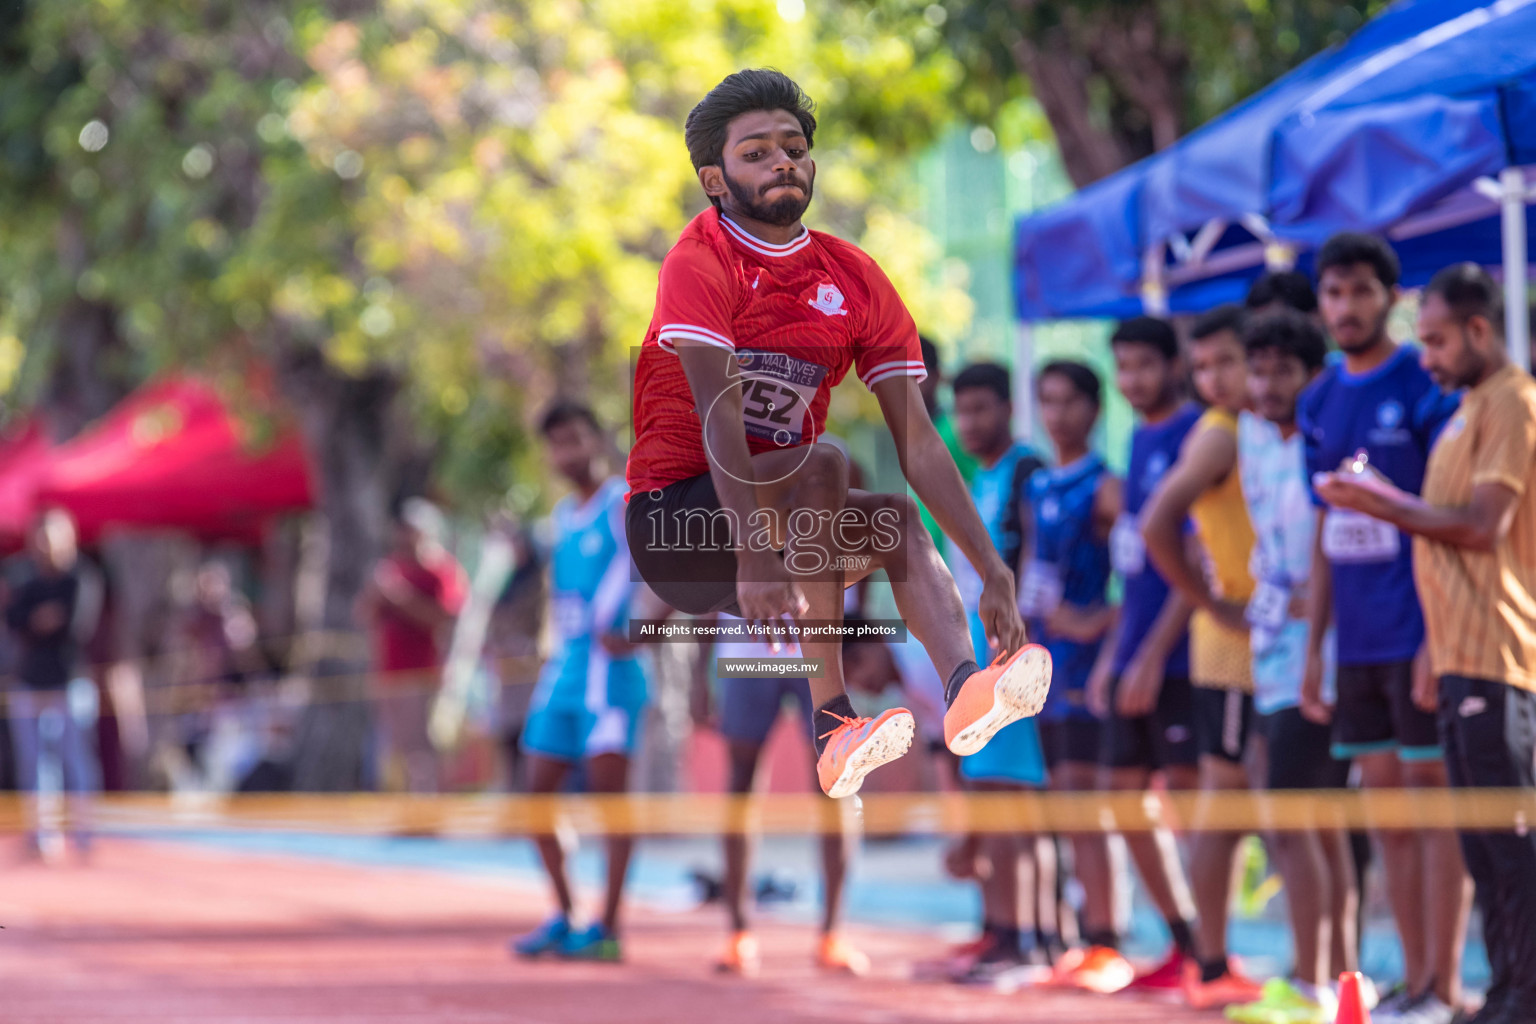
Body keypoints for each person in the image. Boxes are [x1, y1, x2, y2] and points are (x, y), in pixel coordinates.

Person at [623, 69, 1050, 801]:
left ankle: (964, 690)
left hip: (784, 531)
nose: (782, 161)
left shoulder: (852, 278)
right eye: (755, 152)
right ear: (715, 179)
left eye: (793, 147)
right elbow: (721, 413)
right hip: (677, 527)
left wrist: (990, 566)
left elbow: (918, 441)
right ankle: (833, 722)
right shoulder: (698, 261)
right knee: (825, 460)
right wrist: (756, 555)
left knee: (894, 521)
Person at [1315, 264, 1536, 1024]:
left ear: (1481, 330)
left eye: (1438, 341)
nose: (1428, 358)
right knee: (1483, 846)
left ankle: (1515, 998)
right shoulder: (1470, 407)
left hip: (1496, 655)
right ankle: (1503, 995)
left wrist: (1381, 500)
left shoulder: (1513, 401)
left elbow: (1481, 528)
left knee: (1507, 848)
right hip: (1456, 654)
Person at [1298, 233, 1471, 1024]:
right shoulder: (1318, 400)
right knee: (1389, 819)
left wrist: (1438, 639)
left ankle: (1445, 984)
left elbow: (1451, 521)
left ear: (1390, 298)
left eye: (1360, 292)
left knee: (1436, 817)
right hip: (1355, 643)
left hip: (1420, 634)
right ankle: (1410, 981)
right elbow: (1328, 532)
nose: (1345, 308)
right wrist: (1314, 650)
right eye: (1332, 294)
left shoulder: (1426, 384)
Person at [1225, 310, 1360, 1024]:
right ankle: (1340, 984)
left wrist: (1312, 656)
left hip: (1324, 659)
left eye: (1284, 370)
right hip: (1275, 653)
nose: (1268, 384)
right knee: (1315, 822)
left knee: (1295, 821)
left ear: (1315, 375)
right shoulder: (1250, 435)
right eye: (1260, 369)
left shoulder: (1328, 442)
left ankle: (1311, 985)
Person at [1140, 304, 1263, 1009]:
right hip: (1230, 652)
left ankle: (1213, 963)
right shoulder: (1218, 435)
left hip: (1259, 648)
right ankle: (1210, 966)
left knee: (1245, 808)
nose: (1215, 378)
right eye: (1205, 366)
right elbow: (1159, 524)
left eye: (1227, 363)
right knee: (1225, 807)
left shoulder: (1252, 428)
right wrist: (1211, 603)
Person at [1082, 316, 1202, 991]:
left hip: (1185, 659)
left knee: (1192, 805)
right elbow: (1136, 567)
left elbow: (1195, 564)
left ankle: (1217, 952)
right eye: (1122, 368)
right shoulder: (1142, 437)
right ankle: (1185, 940)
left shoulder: (1195, 435)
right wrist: (1115, 656)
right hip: (1135, 654)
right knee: (1123, 800)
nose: (1132, 381)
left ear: (1173, 364)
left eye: (1144, 367)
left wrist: (1155, 655)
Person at [513, 402, 652, 963]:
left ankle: (609, 925)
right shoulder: (562, 516)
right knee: (535, 797)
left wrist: (644, 631)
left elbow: (664, 572)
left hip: (610, 679)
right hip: (563, 672)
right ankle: (566, 913)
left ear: (598, 439)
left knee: (610, 804)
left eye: (574, 439)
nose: (565, 453)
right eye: (555, 444)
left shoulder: (624, 504)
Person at [1017, 360, 1126, 992]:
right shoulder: (1039, 489)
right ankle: (1084, 939)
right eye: (1047, 401)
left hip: (1091, 668)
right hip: (1048, 667)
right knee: (1061, 802)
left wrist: (1099, 621)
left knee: (1089, 806)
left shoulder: (1106, 487)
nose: (1056, 415)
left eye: (1068, 402)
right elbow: (1035, 571)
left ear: (1093, 410)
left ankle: (1109, 939)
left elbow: (1143, 575)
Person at [943, 361, 1048, 980]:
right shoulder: (976, 477)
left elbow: (1034, 561)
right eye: (963, 411)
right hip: (980, 664)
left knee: (1013, 801)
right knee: (989, 796)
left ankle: (1027, 939)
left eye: (982, 409)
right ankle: (1003, 931)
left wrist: (1020, 648)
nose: (970, 423)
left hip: (1012, 658)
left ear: (1009, 408)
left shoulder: (1027, 472)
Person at [694, 616, 869, 977]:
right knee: (741, 782)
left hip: (819, 645)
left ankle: (832, 934)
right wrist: (699, 672)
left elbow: (862, 564)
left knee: (834, 782)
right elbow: (708, 581)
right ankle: (739, 932)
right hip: (747, 648)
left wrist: (857, 635)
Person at [5, 509, 98, 860]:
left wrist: (37, 621)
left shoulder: (80, 577)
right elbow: (15, 621)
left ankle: (83, 834)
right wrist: (39, 620)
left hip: (68, 683)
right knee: (34, 764)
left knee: (75, 761)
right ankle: (43, 836)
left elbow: (74, 625)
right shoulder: (24, 578)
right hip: (29, 682)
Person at [357, 497, 467, 793]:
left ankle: (432, 811)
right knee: (398, 747)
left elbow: (444, 619)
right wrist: (377, 594)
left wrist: (400, 598)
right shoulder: (392, 567)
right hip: (390, 673)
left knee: (424, 745)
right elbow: (364, 616)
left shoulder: (441, 570)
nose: (404, 535)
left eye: (411, 529)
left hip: (424, 672)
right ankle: (411, 810)